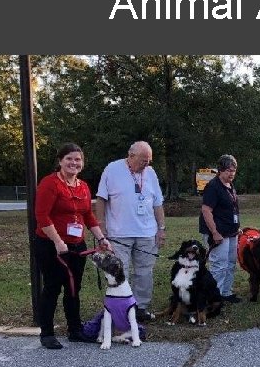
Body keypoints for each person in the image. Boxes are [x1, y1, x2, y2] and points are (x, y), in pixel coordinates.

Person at [33, 143, 111, 349]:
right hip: (51, 244)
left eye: (78, 159)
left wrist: (101, 238)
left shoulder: (83, 186)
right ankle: (47, 333)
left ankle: (75, 330)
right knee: (52, 287)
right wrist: (58, 241)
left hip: (76, 245)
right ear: (60, 161)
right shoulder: (50, 183)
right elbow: (42, 216)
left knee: (74, 287)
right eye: (69, 159)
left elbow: (88, 215)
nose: (74, 163)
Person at [95, 141, 166, 322]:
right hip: (119, 234)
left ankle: (140, 307)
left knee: (144, 272)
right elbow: (101, 199)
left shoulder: (151, 173)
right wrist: (101, 228)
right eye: (143, 161)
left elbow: (157, 202)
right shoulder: (112, 169)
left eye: (149, 161)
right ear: (131, 156)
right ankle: (120, 309)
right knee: (119, 272)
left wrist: (161, 228)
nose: (146, 165)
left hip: (147, 233)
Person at [200, 154, 242, 304]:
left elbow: (231, 208)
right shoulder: (213, 186)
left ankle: (225, 292)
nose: (231, 174)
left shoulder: (230, 186)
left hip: (231, 232)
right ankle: (213, 298)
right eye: (228, 170)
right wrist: (215, 232)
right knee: (219, 265)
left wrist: (237, 227)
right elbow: (206, 210)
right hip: (218, 233)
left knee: (230, 263)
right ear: (220, 170)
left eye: (233, 170)